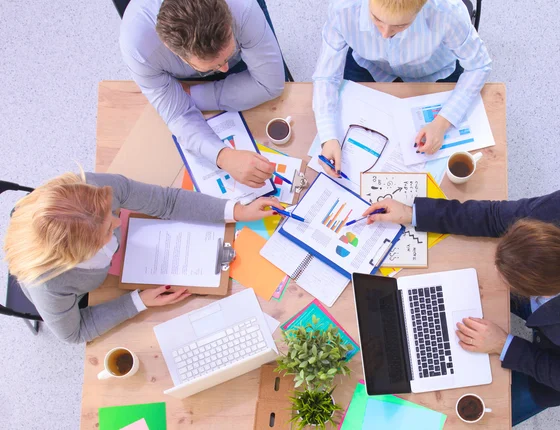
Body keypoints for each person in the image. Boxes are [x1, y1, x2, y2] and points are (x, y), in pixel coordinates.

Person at [363, 188, 560, 425]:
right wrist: (412, 213)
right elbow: (494, 216)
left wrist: (504, 345)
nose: (496, 273)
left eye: (506, 279)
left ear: (538, 292)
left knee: (467, 419)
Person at [3, 172, 283, 344]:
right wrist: (138, 301)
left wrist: (236, 211)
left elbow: (166, 201)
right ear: (79, 256)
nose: (118, 221)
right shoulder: (49, 284)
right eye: (107, 229)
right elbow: (75, 332)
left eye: (111, 214)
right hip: (86, 290)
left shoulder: (91, 190)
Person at [313, 0, 492, 177]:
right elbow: (326, 76)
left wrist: (442, 122)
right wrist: (328, 136)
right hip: (370, 64)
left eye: (400, 25)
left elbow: (479, 66)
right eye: (376, 19)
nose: (384, 34)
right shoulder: (343, 7)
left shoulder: (447, 10)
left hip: (432, 69)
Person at [120, 0, 285, 188]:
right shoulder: (138, 48)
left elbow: (270, 84)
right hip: (183, 78)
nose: (225, 69)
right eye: (214, 66)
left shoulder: (243, 7)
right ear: (170, 48)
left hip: (197, 78)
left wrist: (192, 96)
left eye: (228, 55)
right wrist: (223, 156)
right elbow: (178, 116)